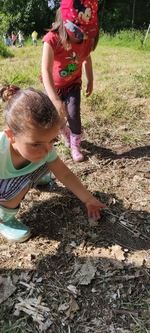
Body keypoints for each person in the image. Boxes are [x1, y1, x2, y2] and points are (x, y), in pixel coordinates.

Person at [0, 84, 106, 243]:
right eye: (36, 144)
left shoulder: (44, 150)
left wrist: (88, 199)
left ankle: (36, 178)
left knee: (50, 163)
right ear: (11, 136)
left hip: (28, 168)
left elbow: (65, 174)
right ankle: (4, 220)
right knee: (11, 191)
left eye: (52, 140)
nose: (46, 149)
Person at [41, 0, 99, 162]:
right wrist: (54, 100)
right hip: (54, 86)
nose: (82, 35)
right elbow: (45, 70)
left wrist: (90, 80)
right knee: (56, 117)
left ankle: (75, 145)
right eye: (78, 30)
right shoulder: (52, 39)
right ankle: (66, 134)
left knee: (73, 114)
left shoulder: (86, 40)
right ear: (64, 21)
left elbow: (87, 59)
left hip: (73, 84)